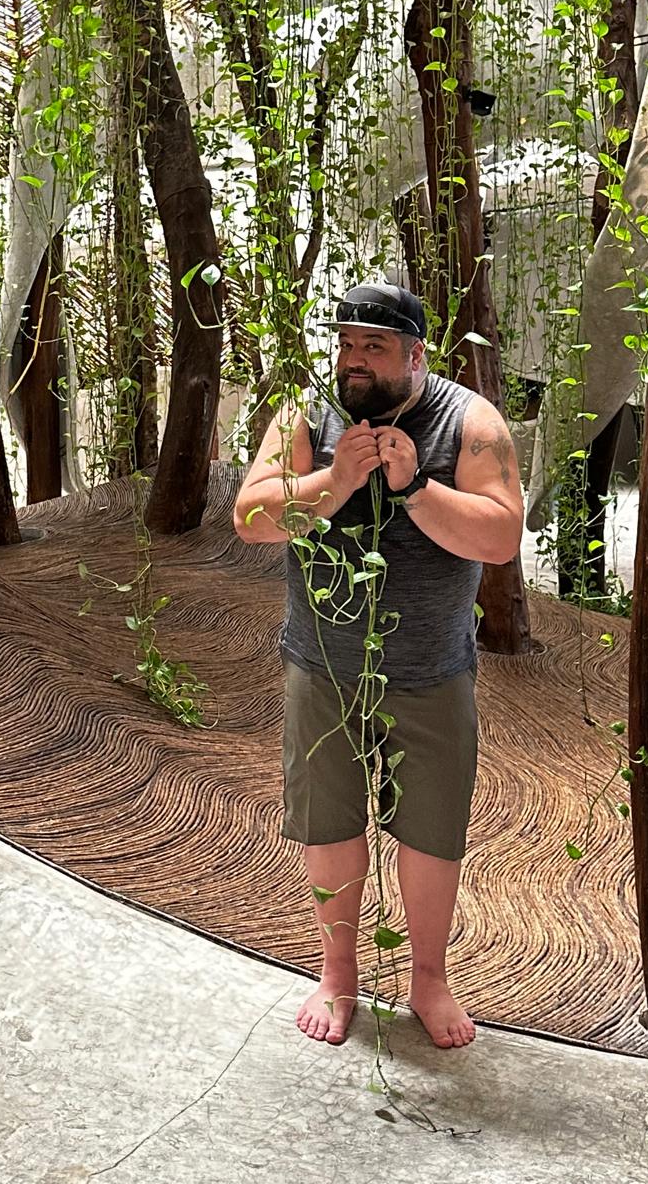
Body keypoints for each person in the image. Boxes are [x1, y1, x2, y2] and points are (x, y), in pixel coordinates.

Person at [233, 282, 524, 1050]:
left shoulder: (471, 422)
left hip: (431, 670)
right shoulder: (307, 412)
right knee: (327, 820)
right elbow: (251, 518)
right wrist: (334, 483)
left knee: (431, 831)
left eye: (374, 346)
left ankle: (429, 978)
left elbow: (501, 537)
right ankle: (337, 974)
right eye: (346, 344)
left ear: (416, 354)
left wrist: (415, 489)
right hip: (322, 666)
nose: (354, 359)